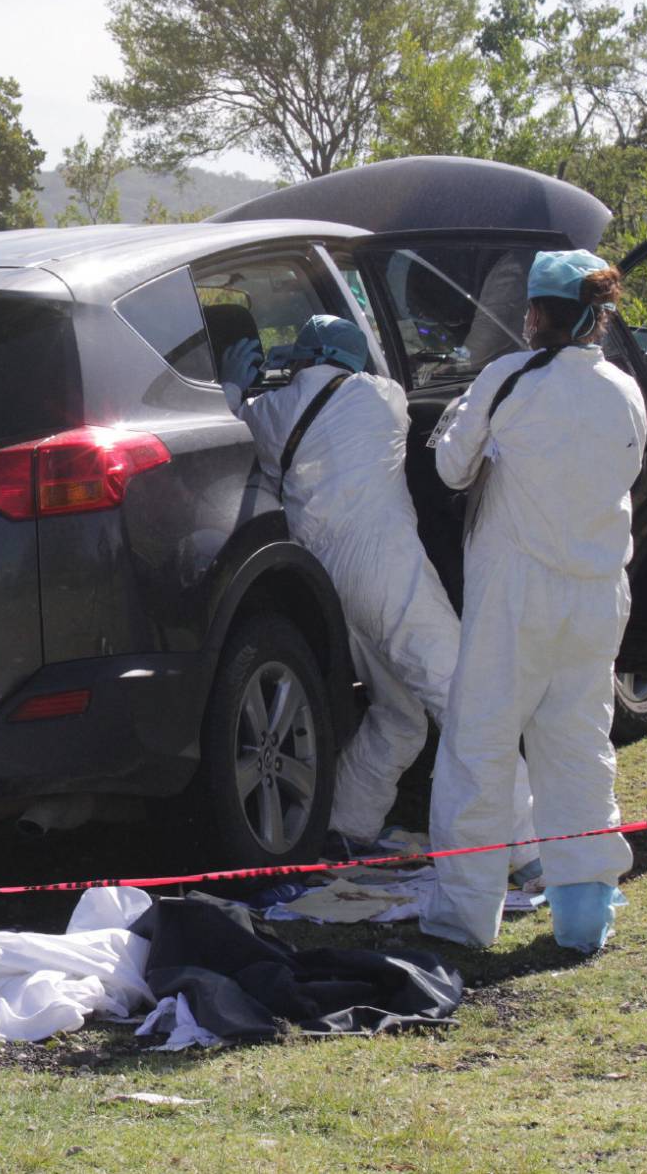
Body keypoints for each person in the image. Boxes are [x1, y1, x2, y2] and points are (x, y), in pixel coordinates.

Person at [218, 316, 537, 869]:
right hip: (387, 571)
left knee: (401, 713)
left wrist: (232, 388)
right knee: (466, 697)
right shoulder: (384, 396)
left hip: (327, 586)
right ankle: (528, 847)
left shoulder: (265, 414)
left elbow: (238, 434)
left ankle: (346, 826)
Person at [420, 249, 647, 953]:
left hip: (515, 597)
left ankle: (464, 922)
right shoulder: (625, 390)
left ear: (536, 314)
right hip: (598, 597)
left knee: (479, 751)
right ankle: (583, 920)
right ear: (599, 319)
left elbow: (450, 467)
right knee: (580, 751)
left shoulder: (505, 377)